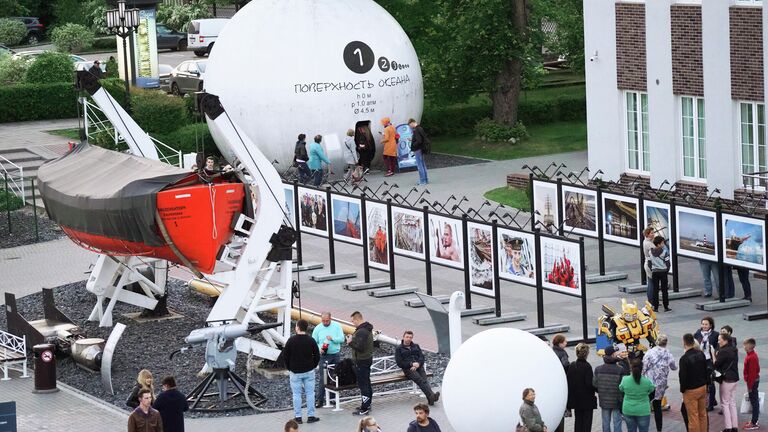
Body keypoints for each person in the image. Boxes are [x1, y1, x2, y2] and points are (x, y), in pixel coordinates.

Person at [279, 319, 321, 424]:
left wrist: (289, 367)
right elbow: (317, 355)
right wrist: (313, 365)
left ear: (297, 327)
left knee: (296, 394)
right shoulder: (311, 340)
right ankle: (311, 416)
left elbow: (285, 355)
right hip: (309, 371)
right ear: (306, 328)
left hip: (295, 372)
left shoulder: (291, 340)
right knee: (310, 393)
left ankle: (298, 417)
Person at [641, 335, 677, 432]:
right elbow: (674, 367)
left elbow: (644, 367)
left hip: (649, 383)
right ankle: (659, 429)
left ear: (657, 342)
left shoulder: (650, 352)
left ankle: (644, 428)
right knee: (657, 407)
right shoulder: (668, 353)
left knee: (646, 404)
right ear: (666, 343)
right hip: (661, 384)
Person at [395, 330, 439, 405]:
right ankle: (432, 396)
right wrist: (411, 364)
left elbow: (422, 357)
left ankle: (431, 399)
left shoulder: (416, 346)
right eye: (407, 337)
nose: (408, 339)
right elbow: (400, 363)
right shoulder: (399, 349)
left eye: (410, 337)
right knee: (420, 380)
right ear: (403, 337)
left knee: (424, 380)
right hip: (408, 369)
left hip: (419, 367)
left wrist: (418, 364)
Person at [311, 312, 345, 408]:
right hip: (324, 356)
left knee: (335, 376)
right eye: (323, 321)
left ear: (331, 318)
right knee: (323, 377)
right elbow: (314, 342)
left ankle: (333, 398)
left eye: (327, 321)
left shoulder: (337, 326)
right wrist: (319, 349)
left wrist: (333, 338)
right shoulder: (317, 328)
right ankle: (320, 400)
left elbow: (342, 339)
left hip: (335, 354)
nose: (325, 322)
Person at [679, 333, 709, 432]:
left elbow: (683, 376)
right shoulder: (701, 353)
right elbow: (706, 370)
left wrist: (682, 390)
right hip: (702, 387)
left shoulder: (684, 359)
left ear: (684, 342)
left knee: (693, 417)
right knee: (702, 414)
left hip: (690, 391)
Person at [593, 346, 627, 432]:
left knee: (605, 422)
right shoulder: (620, 369)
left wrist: (601, 391)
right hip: (617, 400)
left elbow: (594, 384)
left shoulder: (598, 369)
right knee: (617, 422)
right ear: (613, 354)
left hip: (604, 400)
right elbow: (623, 386)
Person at [347, 311, 374, 416]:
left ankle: (365, 408)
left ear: (357, 319)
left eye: (353, 321)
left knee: (363, 385)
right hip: (366, 360)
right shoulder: (367, 329)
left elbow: (360, 347)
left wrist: (350, 342)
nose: (352, 323)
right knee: (366, 382)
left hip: (361, 361)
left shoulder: (362, 331)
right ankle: (367, 403)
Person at [566, 343, 597, 432]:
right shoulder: (587, 366)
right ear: (586, 354)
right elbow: (589, 383)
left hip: (576, 400)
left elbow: (569, 381)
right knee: (587, 422)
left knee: (578, 421)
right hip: (587, 400)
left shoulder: (572, 365)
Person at [713, 332, 740, 432]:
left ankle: (728, 428)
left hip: (727, 380)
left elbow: (716, 364)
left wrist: (713, 354)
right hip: (734, 379)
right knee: (732, 402)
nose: (718, 341)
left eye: (720, 339)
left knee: (724, 403)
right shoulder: (733, 349)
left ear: (725, 340)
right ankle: (735, 427)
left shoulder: (723, 351)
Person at [619, 360, 655, 432]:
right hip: (643, 410)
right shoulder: (647, 381)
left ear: (631, 368)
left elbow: (621, 388)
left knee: (631, 430)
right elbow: (652, 389)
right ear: (642, 368)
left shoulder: (625, 379)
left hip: (628, 409)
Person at [693, 316, 719, 411]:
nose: (704, 326)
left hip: (709, 360)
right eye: (703, 324)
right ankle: (710, 400)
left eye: (706, 324)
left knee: (711, 382)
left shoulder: (715, 335)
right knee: (703, 382)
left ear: (710, 325)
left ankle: (711, 404)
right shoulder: (697, 333)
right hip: (700, 360)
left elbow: (718, 347)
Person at [551, 334, 569, 432]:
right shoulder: (562, 353)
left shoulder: (552, 350)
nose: (566, 343)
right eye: (565, 341)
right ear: (560, 343)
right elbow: (566, 365)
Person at [649, 236, 671, 312]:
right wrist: (666, 270)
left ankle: (655, 307)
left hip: (654, 272)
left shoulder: (650, 252)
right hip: (663, 272)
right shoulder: (664, 252)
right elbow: (668, 263)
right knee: (664, 290)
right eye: (662, 243)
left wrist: (653, 269)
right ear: (658, 244)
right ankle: (666, 306)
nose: (663, 244)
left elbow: (649, 263)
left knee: (655, 290)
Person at [743, 338, 761, 430]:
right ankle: (754, 420)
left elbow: (752, 374)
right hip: (753, 381)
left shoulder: (752, 357)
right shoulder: (751, 355)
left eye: (745, 345)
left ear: (749, 346)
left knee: (754, 402)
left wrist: (749, 386)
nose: (743, 346)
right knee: (754, 401)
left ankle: (754, 422)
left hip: (752, 382)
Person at [408, 118, 429, 185]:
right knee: (423, 164)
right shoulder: (420, 128)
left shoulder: (416, 130)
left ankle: (422, 181)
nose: (410, 127)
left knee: (420, 165)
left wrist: (413, 144)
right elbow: (421, 138)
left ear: (412, 123)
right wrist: (413, 139)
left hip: (418, 149)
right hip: (422, 148)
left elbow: (419, 140)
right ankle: (426, 179)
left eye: (410, 125)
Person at [642, 227, 655, 303]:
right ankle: (651, 301)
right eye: (652, 233)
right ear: (647, 234)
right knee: (651, 283)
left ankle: (651, 300)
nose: (653, 234)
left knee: (650, 282)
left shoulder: (647, 241)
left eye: (653, 232)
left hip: (647, 263)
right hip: (650, 264)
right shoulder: (649, 244)